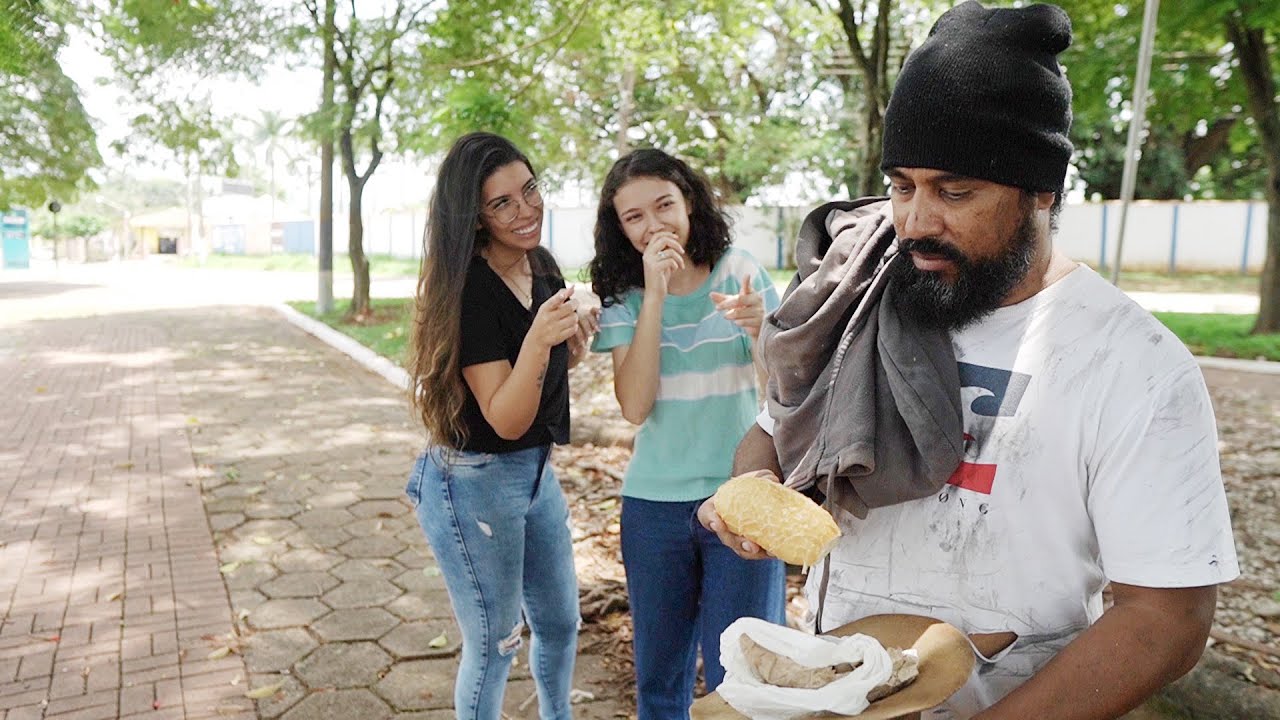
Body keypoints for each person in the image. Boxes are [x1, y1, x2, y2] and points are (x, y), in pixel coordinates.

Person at [698, 3, 1240, 719]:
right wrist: (750, 490)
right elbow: (774, 429)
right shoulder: (858, 304)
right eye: (901, 186)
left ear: (1041, 192)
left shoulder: (1132, 364)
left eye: (955, 192)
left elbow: (1165, 619)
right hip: (841, 695)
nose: (917, 222)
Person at [588, 148, 786, 719]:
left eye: (664, 206)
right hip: (653, 507)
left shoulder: (741, 271)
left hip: (741, 498)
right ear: (619, 229)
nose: (654, 226)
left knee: (744, 676)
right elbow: (634, 405)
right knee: (660, 674)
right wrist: (653, 293)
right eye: (634, 217)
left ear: (690, 202)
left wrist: (758, 335)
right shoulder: (626, 297)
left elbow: (780, 399)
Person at [405, 131, 596, 720]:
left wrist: (573, 337)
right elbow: (507, 418)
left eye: (530, 189)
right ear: (477, 217)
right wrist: (541, 336)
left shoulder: (539, 262)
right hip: (476, 482)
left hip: (536, 473)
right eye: (503, 203)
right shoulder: (469, 292)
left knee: (562, 622)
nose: (527, 209)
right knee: (495, 644)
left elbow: (552, 369)